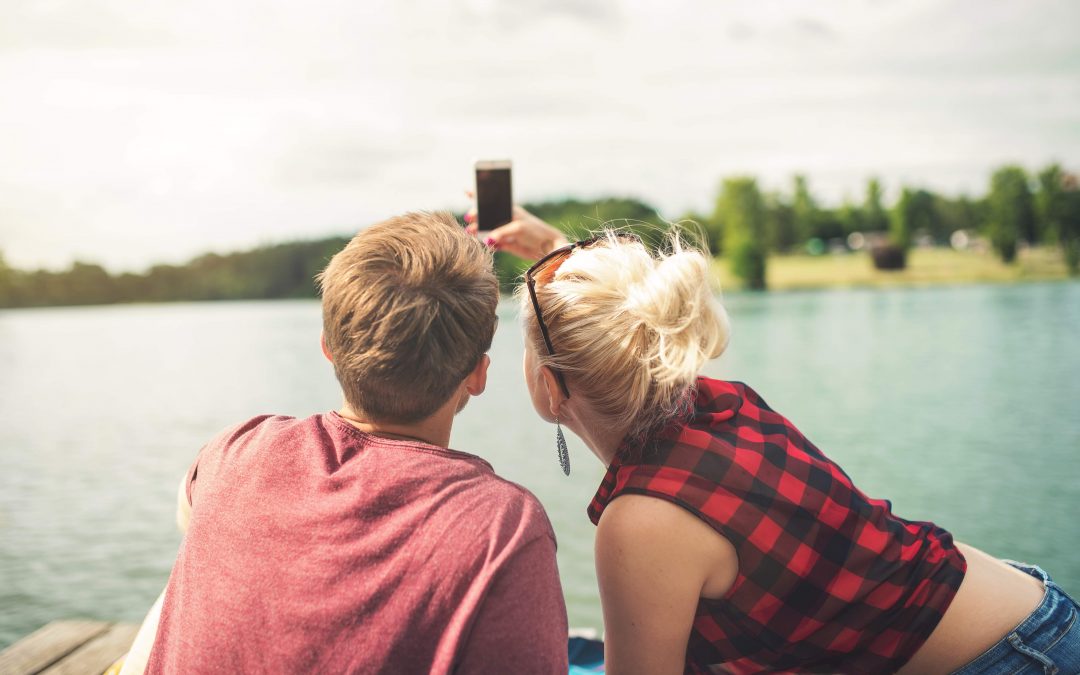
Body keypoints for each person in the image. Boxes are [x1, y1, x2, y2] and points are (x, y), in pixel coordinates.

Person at [494, 208, 1080, 674]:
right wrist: (556, 249)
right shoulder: (717, 404)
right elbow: (636, 321)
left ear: (549, 384)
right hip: (1035, 616)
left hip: (1008, 661)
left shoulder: (642, 520)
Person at [122, 212, 569, 674]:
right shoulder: (505, 530)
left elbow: (190, 515)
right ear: (478, 375)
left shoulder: (234, 451)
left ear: (328, 348)